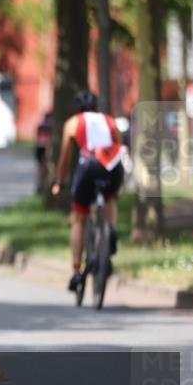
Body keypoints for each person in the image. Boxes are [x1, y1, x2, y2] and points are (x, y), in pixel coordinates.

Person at [51, 91, 125, 293]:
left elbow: (65, 158)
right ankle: (110, 231)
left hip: (89, 166)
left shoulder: (73, 123)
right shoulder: (110, 121)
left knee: (79, 218)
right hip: (113, 166)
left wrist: (59, 182)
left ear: (79, 108)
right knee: (110, 198)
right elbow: (119, 146)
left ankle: (76, 270)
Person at [35, 111, 52, 193]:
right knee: (46, 167)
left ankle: (40, 185)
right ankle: (45, 185)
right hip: (45, 148)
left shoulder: (40, 125)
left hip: (39, 147)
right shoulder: (50, 126)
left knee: (40, 168)